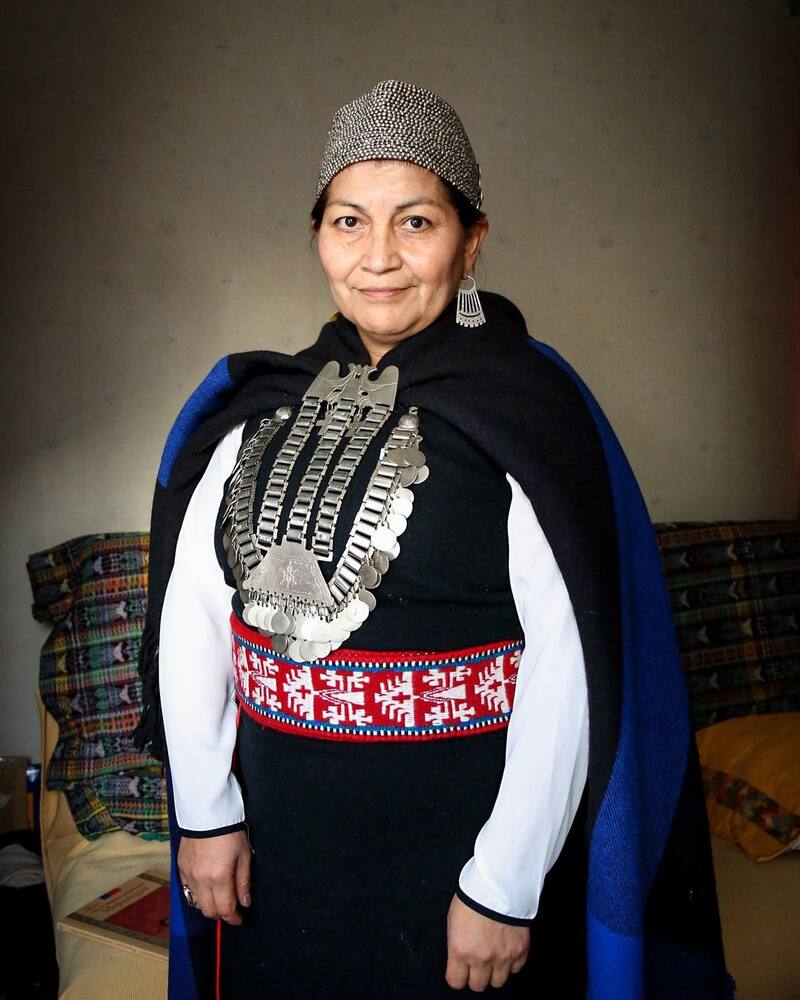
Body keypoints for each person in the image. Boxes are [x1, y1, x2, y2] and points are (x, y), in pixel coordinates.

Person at [133, 80, 733, 999]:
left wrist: (503, 886)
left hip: (458, 866)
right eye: (348, 222)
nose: (378, 256)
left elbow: (570, 662)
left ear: (471, 239)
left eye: (415, 222)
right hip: (271, 855)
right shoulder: (256, 407)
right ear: (318, 235)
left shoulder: (529, 412)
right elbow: (193, 616)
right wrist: (207, 816)